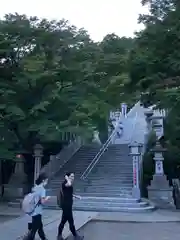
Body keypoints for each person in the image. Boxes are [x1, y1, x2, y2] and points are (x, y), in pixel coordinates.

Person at [57, 172, 84, 240]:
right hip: (66, 206)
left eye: (73, 176)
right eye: (71, 176)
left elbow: (68, 193)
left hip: (68, 205)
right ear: (67, 177)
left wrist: (76, 196)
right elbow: (68, 184)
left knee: (64, 221)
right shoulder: (65, 183)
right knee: (69, 221)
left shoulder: (69, 184)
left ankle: (60, 236)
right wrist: (66, 178)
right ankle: (75, 236)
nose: (73, 178)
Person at [28, 173, 50, 240]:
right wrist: (47, 198)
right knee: (33, 231)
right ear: (43, 180)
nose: (47, 182)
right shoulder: (42, 189)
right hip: (38, 212)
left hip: (33, 211)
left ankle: (44, 238)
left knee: (40, 228)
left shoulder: (35, 188)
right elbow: (42, 202)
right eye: (46, 180)